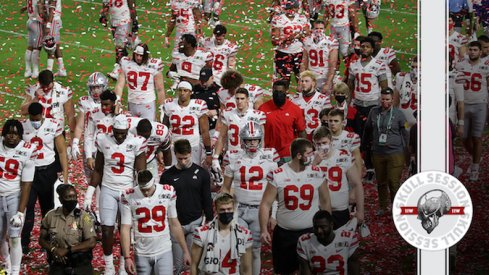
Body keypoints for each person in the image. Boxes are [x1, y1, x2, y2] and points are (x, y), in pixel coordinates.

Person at [83, 114, 146, 274]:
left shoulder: (136, 142)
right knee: (106, 229)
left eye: (122, 133)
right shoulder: (103, 139)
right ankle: (109, 266)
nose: (119, 136)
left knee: (125, 228)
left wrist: (141, 194)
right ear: (112, 129)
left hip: (127, 191)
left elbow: (141, 172)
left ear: (127, 130)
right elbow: (98, 169)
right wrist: (89, 192)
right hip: (108, 188)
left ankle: (124, 266)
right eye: (116, 132)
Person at [259, 138, 332, 275]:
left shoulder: (317, 172)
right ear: (299, 155)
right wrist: (264, 229)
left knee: (313, 270)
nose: (313, 156)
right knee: (284, 271)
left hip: (311, 232)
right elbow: (265, 203)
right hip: (285, 234)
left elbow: (325, 201)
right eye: (309, 154)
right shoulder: (278, 174)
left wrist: (327, 227)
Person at [221, 122, 279, 275]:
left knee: (255, 250)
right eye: (249, 140)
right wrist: (225, 211)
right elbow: (225, 189)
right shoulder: (233, 157)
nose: (252, 143)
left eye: (255, 139)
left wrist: (273, 215)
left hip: (259, 210)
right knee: (240, 249)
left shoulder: (270, 156)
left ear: (260, 139)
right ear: (242, 140)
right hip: (239, 209)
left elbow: (277, 191)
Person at [120, 170, 191, 275]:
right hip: (141, 252)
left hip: (164, 250)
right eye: (142, 189)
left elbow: (174, 223)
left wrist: (185, 251)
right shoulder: (128, 195)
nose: (146, 193)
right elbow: (125, 228)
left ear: (154, 182)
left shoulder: (167, 192)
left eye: (148, 189)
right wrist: (126, 257)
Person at [159, 139, 213, 274]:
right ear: (175, 154)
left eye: (186, 158)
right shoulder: (167, 176)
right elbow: (162, 202)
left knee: (195, 264)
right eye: (179, 158)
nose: (183, 162)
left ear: (190, 153)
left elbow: (207, 198)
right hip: (176, 225)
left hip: (195, 222)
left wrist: (210, 220)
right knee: (177, 265)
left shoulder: (202, 174)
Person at [21, 102, 69, 254]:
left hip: (48, 171)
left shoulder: (53, 125)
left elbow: (61, 151)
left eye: (37, 118)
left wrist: (66, 176)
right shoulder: (22, 126)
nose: (34, 121)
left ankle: (48, 243)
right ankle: (24, 243)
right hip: (29, 173)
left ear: (42, 114)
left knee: (47, 210)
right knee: (27, 208)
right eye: (32, 118)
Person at [347, 37, 388, 182]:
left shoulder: (379, 65)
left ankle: (371, 167)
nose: (363, 49)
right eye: (362, 46)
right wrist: (347, 105)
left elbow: (384, 87)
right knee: (358, 137)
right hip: (358, 105)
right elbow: (350, 86)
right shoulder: (353, 65)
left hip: (373, 105)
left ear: (372, 49)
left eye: (366, 47)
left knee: (372, 138)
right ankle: (361, 165)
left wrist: (384, 108)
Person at [363, 88, 409, 216]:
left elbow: (405, 133)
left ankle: (396, 208)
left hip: (395, 152)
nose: (384, 102)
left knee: (393, 182)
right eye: (382, 99)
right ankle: (383, 206)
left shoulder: (399, 114)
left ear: (393, 100)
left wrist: (408, 151)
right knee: (381, 182)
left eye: (387, 100)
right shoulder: (374, 112)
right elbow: (367, 130)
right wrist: (364, 146)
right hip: (378, 152)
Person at [0, 120, 36, 274]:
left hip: (14, 196)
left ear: (21, 136)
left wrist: (21, 212)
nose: (12, 137)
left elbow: (27, 184)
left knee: (14, 237)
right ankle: (7, 263)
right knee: (0, 236)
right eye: (9, 133)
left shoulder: (28, 150)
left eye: (15, 134)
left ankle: (15, 271)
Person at [311, 126, 364, 229]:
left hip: (340, 209)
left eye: (324, 143)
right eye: (318, 144)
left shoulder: (343, 156)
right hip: (317, 210)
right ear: (313, 143)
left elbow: (357, 184)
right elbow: (304, 184)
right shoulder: (309, 159)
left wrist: (360, 211)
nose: (321, 146)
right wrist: (314, 164)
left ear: (331, 141)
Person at [39, 184, 97, 274]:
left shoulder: (84, 217)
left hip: (79, 265)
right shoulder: (51, 216)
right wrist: (54, 250)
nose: (72, 200)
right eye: (68, 197)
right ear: (61, 199)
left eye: (74, 197)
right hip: (58, 263)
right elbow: (42, 239)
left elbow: (91, 242)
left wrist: (67, 251)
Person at [191, 193, 253, 275]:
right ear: (216, 210)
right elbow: (194, 265)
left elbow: (246, 268)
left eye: (229, 209)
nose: (226, 212)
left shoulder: (245, 234)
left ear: (233, 209)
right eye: (222, 210)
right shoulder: (202, 233)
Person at [454, 41, 489, 181]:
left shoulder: (486, 66)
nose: (473, 52)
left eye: (475, 50)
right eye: (471, 50)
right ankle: (477, 159)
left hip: (480, 103)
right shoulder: (460, 64)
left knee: (477, 137)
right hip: (464, 103)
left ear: (480, 52)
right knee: (464, 138)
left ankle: (475, 167)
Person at [162, 81, 212, 167]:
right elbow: (164, 128)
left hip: (193, 145)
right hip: (174, 146)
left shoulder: (199, 105)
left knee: (193, 173)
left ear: (191, 92)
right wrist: (161, 149)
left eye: (185, 90)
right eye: (180, 90)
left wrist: (208, 152)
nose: (182, 93)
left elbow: (204, 131)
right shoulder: (169, 104)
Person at [297, 210, 360, 275]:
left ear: (332, 225)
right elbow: (305, 271)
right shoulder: (305, 242)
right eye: (316, 227)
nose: (319, 231)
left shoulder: (348, 238)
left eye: (323, 227)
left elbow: (353, 265)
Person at [259, 80, 306, 165]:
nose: (278, 94)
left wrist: (303, 151)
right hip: (268, 154)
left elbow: (301, 131)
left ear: (286, 91)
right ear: (272, 91)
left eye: (281, 91)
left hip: (288, 154)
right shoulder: (263, 109)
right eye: (276, 91)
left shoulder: (295, 110)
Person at [114, 43, 165, 121]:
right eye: (136, 55)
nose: (138, 58)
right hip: (132, 102)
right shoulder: (125, 62)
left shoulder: (154, 65)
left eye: (141, 56)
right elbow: (120, 85)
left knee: (148, 129)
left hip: (148, 104)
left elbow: (160, 89)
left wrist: (162, 107)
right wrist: (117, 100)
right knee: (132, 130)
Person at [214, 88, 266, 163]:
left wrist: (261, 155)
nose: (239, 101)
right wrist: (216, 156)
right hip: (232, 155)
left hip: (250, 156)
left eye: (242, 98)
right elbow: (222, 136)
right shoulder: (228, 114)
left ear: (247, 99)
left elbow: (262, 138)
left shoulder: (257, 115)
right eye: (237, 98)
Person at [21, 70, 76, 137]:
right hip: (37, 133)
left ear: (52, 81)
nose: (46, 88)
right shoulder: (32, 90)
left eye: (48, 85)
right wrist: (36, 98)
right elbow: (24, 111)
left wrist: (73, 139)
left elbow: (70, 116)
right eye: (43, 86)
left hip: (57, 133)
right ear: (39, 82)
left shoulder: (64, 91)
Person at [270, 0, 310, 86]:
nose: (292, 10)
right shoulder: (277, 19)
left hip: (299, 53)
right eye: (289, 8)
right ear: (285, 8)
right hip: (283, 54)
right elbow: (274, 41)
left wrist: (300, 36)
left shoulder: (302, 18)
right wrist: (287, 39)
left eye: (294, 7)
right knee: (284, 82)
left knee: (302, 81)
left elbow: (308, 36)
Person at [100, 0, 139, 79]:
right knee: (131, 44)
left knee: (120, 47)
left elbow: (131, 5)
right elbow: (105, 6)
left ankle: (117, 71)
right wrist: (103, 16)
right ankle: (144, 60)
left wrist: (134, 21)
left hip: (124, 21)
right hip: (114, 22)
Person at [291, 71, 332, 141]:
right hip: (299, 136)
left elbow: (329, 120)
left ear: (313, 83)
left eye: (306, 81)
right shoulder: (294, 99)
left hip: (318, 136)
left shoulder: (324, 99)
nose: (303, 83)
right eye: (302, 81)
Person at [301, 20, 338, 94]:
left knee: (324, 102)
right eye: (316, 28)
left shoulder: (331, 42)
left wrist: (328, 83)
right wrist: (300, 81)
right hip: (310, 76)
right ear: (312, 29)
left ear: (324, 30)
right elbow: (304, 62)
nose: (319, 31)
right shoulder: (307, 41)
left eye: (321, 28)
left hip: (324, 76)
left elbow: (333, 64)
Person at [327, 108, 364, 178]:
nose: (332, 123)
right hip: (329, 173)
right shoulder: (323, 137)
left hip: (347, 173)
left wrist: (358, 178)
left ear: (343, 122)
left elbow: (357, 158)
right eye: (330, 121)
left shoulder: (352, 137)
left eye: (336, 121)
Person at [192, 67, 222, 139]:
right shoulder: (193, 90)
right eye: (202, 80)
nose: (203, 83)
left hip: (213, 129)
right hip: (197, 129)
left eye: (206, 80)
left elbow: (229, 109)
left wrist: (217, 111)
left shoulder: (219, 91)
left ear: (212, 78)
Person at [394, 56, 418, 130]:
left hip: (419, 123)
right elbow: (395, 100)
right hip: (404, 120)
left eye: (418, 67)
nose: (414, 69)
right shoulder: (401, 78)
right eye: (413, 67)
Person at [44, 0, 67, 76]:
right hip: (56, 20)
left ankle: (49, 70)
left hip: (53, 21)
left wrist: (48, 24)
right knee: (56, 46)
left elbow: (52, 10)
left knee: (50, 46)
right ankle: (62, 69)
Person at [21, 0, 43, 78]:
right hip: (36, 22)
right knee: (37, 47)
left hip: (29, 21)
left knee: (29, 47)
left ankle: (27, 70)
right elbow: (40, 6)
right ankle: (35, 71)